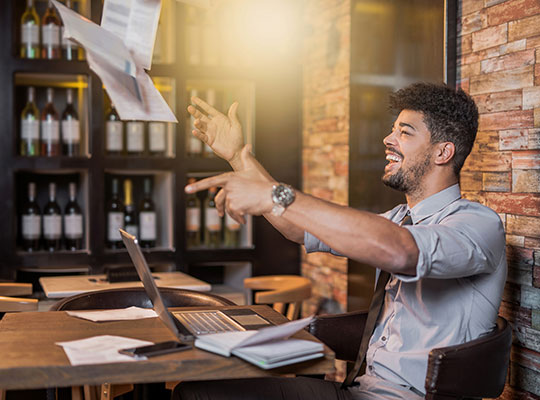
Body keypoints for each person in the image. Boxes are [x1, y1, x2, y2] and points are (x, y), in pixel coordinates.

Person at [175, 83, 507, 399]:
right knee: (195, 390)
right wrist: (238, 157)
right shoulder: (399, 218)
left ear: (443, 152)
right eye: (393, 129)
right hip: (361, 389)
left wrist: (278, 196)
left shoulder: (478, 224)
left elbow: (400, 250)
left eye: (405, 132)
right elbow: (298, 227)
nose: (387, 139)